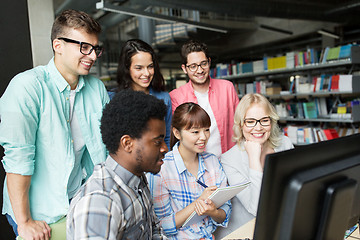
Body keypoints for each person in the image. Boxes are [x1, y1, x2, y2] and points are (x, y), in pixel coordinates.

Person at [0, 9, 109, 239]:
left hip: (78, 201)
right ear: (58, 45)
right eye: (84, 47)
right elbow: (18, 158)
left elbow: (105, 150)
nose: (92, 56)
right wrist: (25, 221)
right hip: (37, 210)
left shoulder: (96, 89)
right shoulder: (27, 87)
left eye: (95, 49)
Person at [67, 90, 168, 239]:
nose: (165, 148)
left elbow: (154, 231)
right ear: (127, 143)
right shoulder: (100, 201)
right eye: (157, 142)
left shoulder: (136, 178)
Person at [214, 93, 294, 239]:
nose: (258, 127)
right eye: (250, 121)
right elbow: (257, 208)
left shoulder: (285, 144)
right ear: (240, 125)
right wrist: (254, 159)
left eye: (264, 120)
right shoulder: (229, 160)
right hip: (245, 232)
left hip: (278, 223)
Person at [147, 102, 231, 239]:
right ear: (176, 133)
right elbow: (160, 226)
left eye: (206, 130)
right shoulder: (160, 168)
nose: (203, 137)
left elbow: (225, 212)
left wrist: (213, 212)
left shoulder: (213, 162)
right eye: (195, 132)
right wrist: (199, 202)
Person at [169, 39, 239, 158]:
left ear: (209, 62)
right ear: (184, 69)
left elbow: (240, 122)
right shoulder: (176, 96)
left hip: (229, 159)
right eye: (193, 66)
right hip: (195, 164)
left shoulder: (227, 88)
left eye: (203, 63)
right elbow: (177, 135)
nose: (200, 70)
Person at [109, 39, 172, 149]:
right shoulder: (112, 99)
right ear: (127, 69)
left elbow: (166, 138)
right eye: (139, 68)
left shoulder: (164, 98)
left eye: (150, 66)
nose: (146, 73)